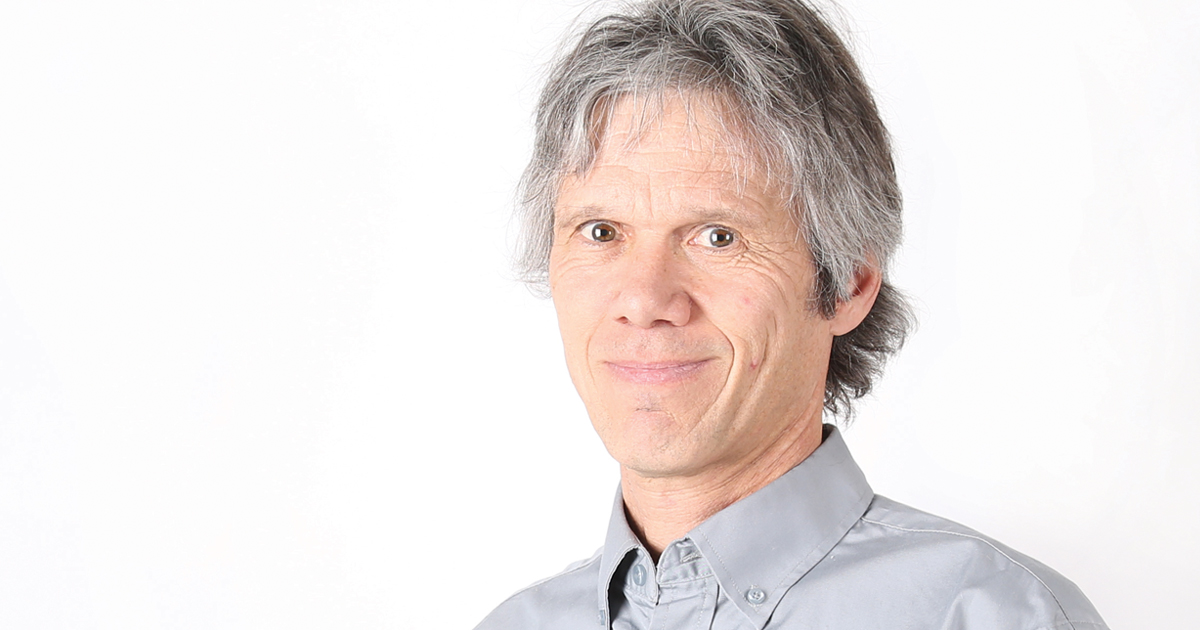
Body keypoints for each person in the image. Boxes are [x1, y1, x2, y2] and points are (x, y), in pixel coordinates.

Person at [476, 0, 1109, 628]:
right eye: (600, 231)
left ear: (847, 284)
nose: (643, 301)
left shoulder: (994, 615)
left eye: (718, 237)